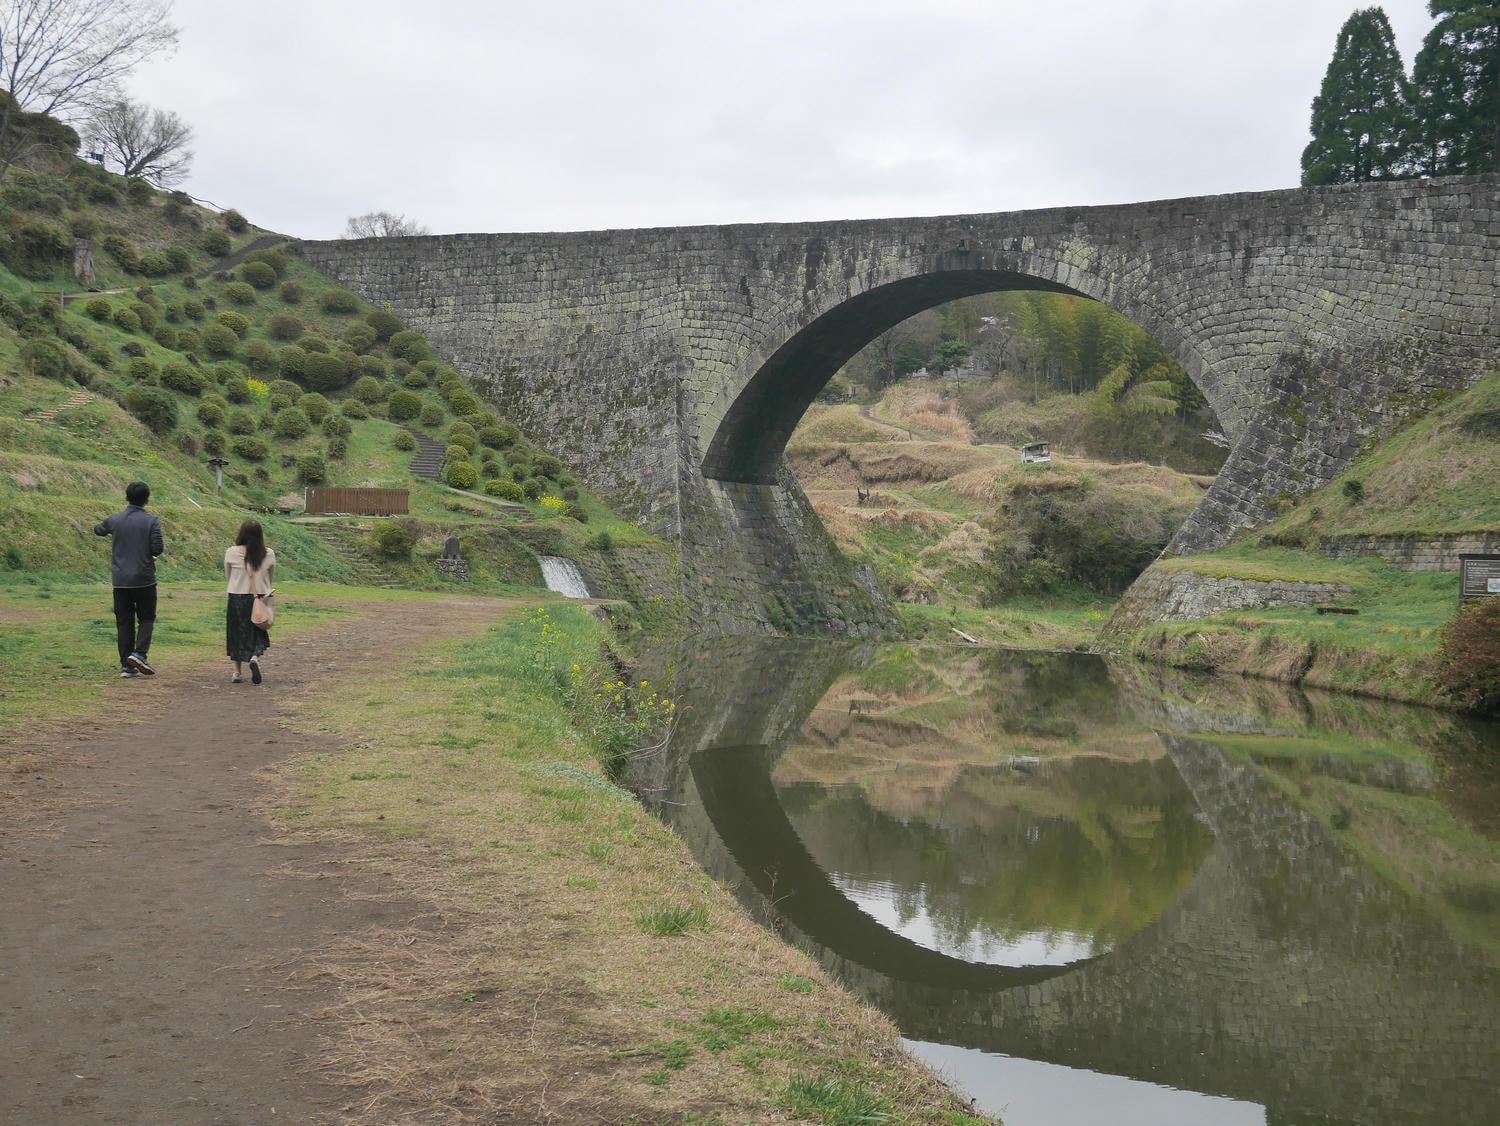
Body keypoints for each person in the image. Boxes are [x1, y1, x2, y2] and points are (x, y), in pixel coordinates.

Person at [94, 481, 164, 678]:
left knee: (124, 622)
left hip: (120, 580)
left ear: (126, 497)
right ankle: (139, 654)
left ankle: (127, 666)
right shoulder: (151, 521)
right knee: (146, 618)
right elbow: (157, 549)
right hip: (144, 579)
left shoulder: (115, 519)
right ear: (147, 500)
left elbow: (98, 529)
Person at [224, 518, 275, 685]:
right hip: (259, 597)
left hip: (237, 597)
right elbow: (270, 577)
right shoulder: (268, 553)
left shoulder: (231, 552)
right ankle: (254, 657)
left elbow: (228, 575)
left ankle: (237, 672)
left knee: (236, 633)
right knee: (258, 630)